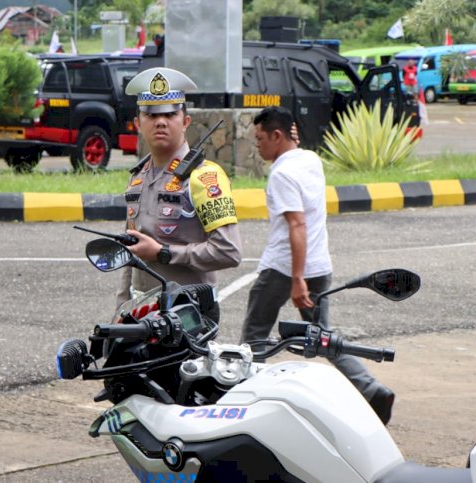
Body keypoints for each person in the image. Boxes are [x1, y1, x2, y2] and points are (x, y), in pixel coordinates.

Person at [240, 105, 396, 425]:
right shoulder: (311, 160)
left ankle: (244, 403)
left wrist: (297, 279)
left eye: (260, 139)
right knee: (323, 337)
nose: (257, 146)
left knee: (254, 338)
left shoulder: (281, 173)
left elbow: (297, 225)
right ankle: (371, 389)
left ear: (277, 136)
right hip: (320, 265)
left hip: (285, 268)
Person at [115, 67, 242, 308]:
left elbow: (229, 251)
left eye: (170, 114)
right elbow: (132, 252)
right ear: (137, 124)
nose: (160, 122)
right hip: (141, 314)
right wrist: (121, 309)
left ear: (185, 122)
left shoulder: (205, 177)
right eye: (151, 116)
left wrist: (163, 253)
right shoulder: (138, 178)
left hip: (188, 314)